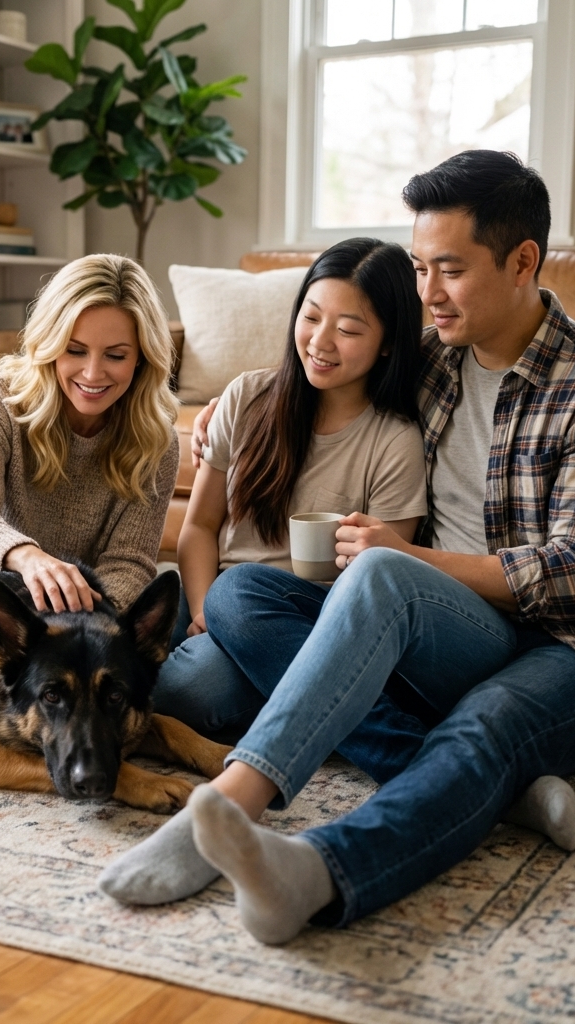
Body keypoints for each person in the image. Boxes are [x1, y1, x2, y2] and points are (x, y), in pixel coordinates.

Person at [100, 150, 575, 943]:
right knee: (247, 595)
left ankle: (308, 867)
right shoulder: (430, 362)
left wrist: (408, 560)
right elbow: (326, 359)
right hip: (458, 632)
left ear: (523, 261)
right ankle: (501, 793)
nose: (428, 293)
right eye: (420, 268)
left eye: (448, 270)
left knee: (475, 712)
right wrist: (229, 403)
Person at [154, 238, 429, 739]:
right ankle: (301, 706)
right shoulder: (246, 397)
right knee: (109, 630)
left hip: (305, 625)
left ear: (388, 342)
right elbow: (199, 526)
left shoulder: (394, 442)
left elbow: (375, 591)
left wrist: (232, 622)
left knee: (185, 689)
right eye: (311, 316)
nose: (321, 342)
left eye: (348, 329)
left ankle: (308, 701)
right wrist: (201, 612)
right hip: (214, 595)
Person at [0, 253, 179, 612]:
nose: (92, 373)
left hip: (85, 618)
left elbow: (129, 564)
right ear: (49, 344)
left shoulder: (157, 442)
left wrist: (80, 625)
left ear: (142, 359)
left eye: (115, 356)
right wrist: (29, 558)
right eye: (75, 351)